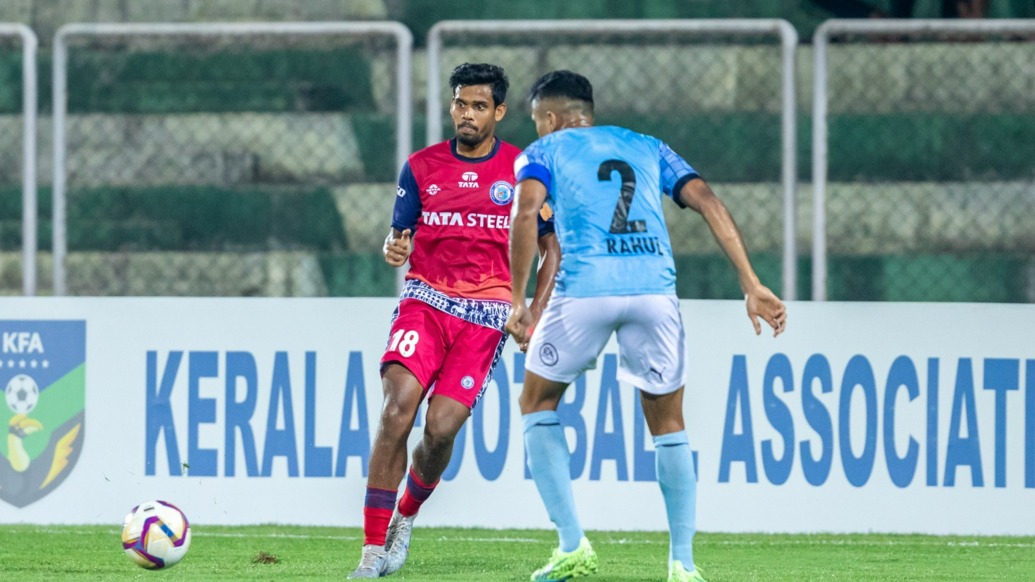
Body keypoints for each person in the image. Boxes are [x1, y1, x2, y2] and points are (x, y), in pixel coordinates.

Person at [505, 71, 787, 582]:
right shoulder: (647, 145)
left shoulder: (541, 153)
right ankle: (682, 564)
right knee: (668, 424)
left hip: (584, 291)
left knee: (537, 402)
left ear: (549, 118)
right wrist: (750, 282)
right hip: (654, 293)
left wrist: (520, 299)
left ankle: (572, 546)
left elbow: (526, 216)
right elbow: (709, 202)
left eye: (536, 121)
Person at [347, 63, 560, 579]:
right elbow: (397, 236)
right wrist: (394, 246)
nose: (467, 114)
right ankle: (372, 551)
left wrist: (532, 310)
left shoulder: (523, 169)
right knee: (397, 410)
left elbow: (553, 250)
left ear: (500, 112)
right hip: (425, 302)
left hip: (486, 318)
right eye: (461, 104)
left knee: (440, 431)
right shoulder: (420, 167)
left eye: (479, 106)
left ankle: (405, 516)